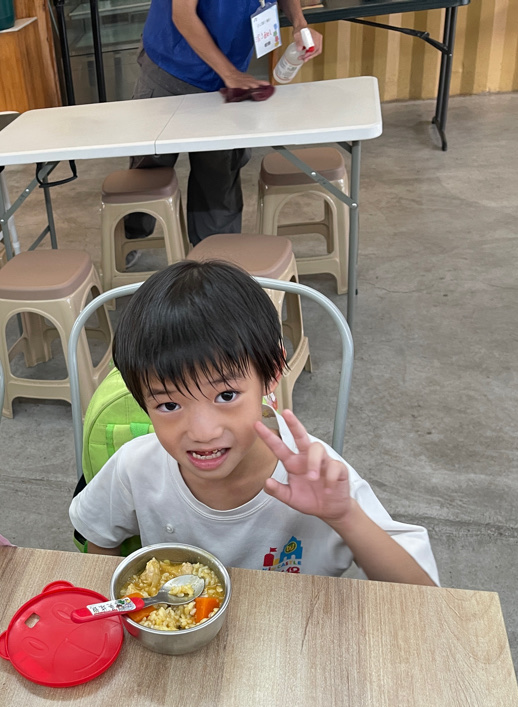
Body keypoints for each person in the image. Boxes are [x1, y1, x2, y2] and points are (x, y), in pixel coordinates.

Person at [69, 261, 439, 586]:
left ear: (272, 371)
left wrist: (344, 516)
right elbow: (98, 536)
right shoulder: (136, 467)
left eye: (226, 395)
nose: (203, 432)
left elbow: (422, 594)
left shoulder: (318, 477)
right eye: (169, 404)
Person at [125, 1, 322, 246]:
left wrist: (300, 25)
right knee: (149, 170)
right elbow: (183, 15)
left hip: (227, 72)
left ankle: (215, 255)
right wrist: (230, 74)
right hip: (171, 66)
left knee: (219, 172)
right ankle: (131, 237)